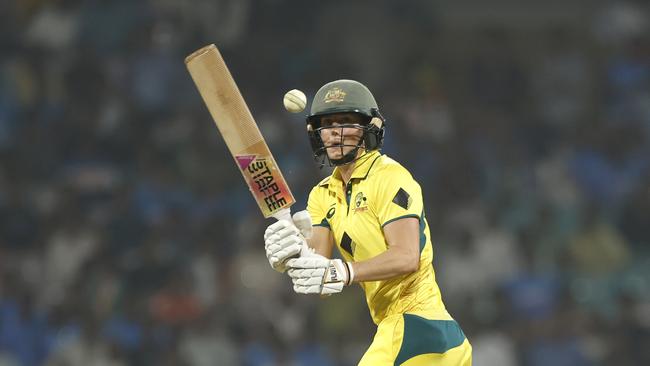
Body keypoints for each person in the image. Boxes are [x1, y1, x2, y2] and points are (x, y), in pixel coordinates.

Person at [264, 79, 472, 365]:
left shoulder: (390, 177)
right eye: (327, 124)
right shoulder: (322, 195)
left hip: (420, 327)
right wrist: (291, 257)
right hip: (402, 334)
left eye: (346, 122)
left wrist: (343, 271)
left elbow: (407, 256)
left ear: (370, 128)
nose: (335, 133)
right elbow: (321, 280)